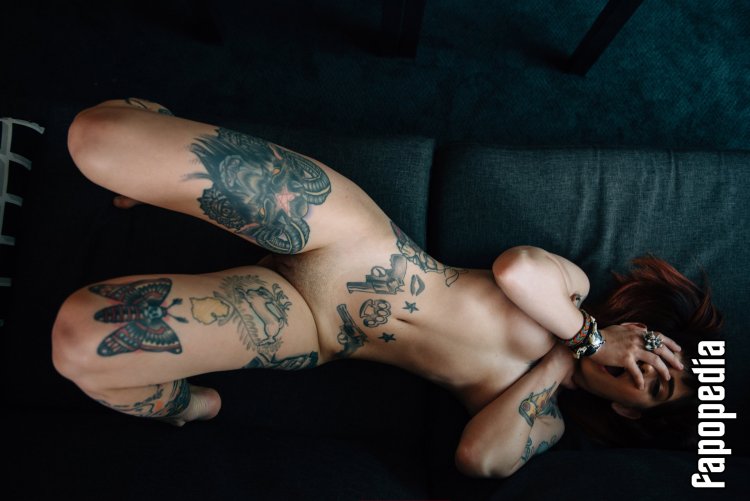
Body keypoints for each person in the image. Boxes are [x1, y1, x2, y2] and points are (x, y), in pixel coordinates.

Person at [51, 98, 722, 478]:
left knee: (79, 342)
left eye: (656, 385)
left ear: (630, 412)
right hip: (353, 238)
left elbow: (478, 460)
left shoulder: (544, 417)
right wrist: (585, 337)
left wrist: (562, 364)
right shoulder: (572, 292)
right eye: (660, 351)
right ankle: (153, 139)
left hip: (312, 323)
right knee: (96, 136)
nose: (647, 365)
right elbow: (517, 270)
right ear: (641, 326)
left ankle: (188, 406)